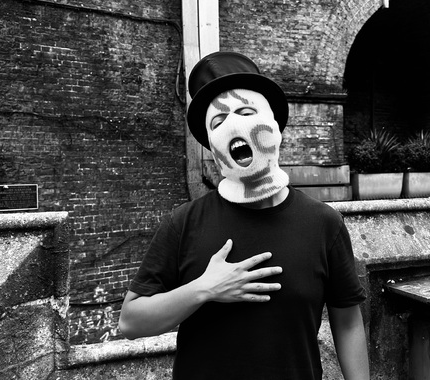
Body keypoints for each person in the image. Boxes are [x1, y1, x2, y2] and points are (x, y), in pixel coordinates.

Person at [118, 51, 370, 380]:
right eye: (218, 122)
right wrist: (203, 289)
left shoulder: (324, 224)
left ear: (274, 126)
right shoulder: (184, 222)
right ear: (212, 144)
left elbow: (348, 323)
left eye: (246, 112)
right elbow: (131, 322)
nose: (234, 125)